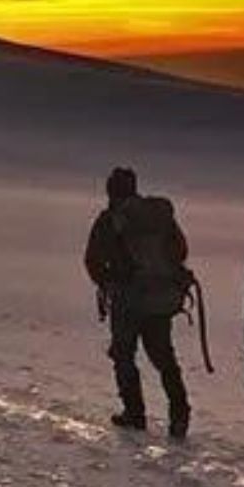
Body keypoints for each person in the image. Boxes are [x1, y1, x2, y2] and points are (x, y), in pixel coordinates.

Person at [81, 167, 193, 439]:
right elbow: (180, 250)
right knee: (164, 357)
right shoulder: (158, 217)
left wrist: (109, 281)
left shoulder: (110, 220)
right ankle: (179, 415)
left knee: (123, 355)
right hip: (159, 298)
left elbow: (92, 259)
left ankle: (135, 413)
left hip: (128, 300)